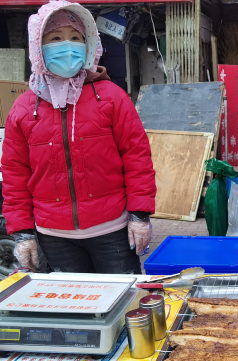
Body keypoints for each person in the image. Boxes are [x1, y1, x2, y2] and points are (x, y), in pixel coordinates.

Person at [3, 0, 156, 274]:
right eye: (55, 38)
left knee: (124, 299)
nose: (67, 45)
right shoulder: (24, 108)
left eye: (75, 38)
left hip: (112, 231)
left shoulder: (111, 97)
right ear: (38, 47)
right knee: (73, 301)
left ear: (88, 44)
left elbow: (137, 158)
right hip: (54, 237)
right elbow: (15, 174)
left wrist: (139, 215)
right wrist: (22, 231)